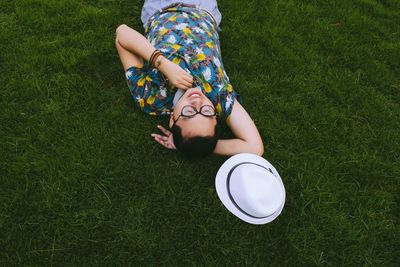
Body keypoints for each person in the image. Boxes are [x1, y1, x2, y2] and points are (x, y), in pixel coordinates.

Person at [115, 0, 263, 158]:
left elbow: (122, 33)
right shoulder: (219, 97)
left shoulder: (150, 97)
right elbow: (254, 147)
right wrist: (202, 146)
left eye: (188, 112)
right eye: (206, 112)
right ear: (215, 116)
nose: (197, 102)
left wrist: (162, 63)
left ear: (172, 120)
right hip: (202, 8)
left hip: (160, 9)